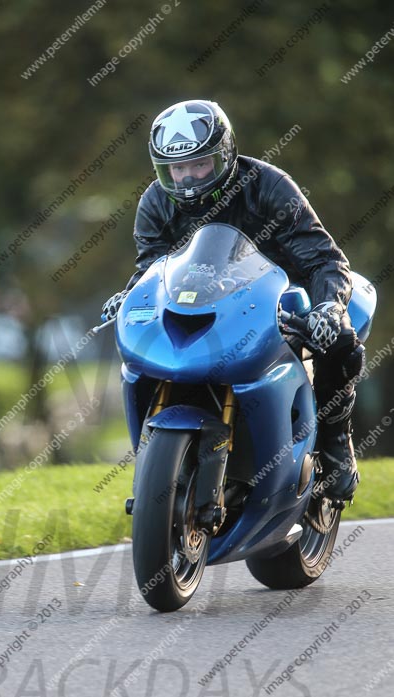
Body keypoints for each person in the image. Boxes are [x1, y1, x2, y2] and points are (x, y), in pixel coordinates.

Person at [102, 99, 365, 501]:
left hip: (276, 303)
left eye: (199, 165)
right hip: (205, 310)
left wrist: (328, 306)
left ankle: (335, 443)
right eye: (177, 168)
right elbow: (152, 270)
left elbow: (325, 259)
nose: (188, 178)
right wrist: (129, 296)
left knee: (341, 338)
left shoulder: (269, 186)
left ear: (224, 156)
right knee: (143, 357)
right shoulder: (155, 201)